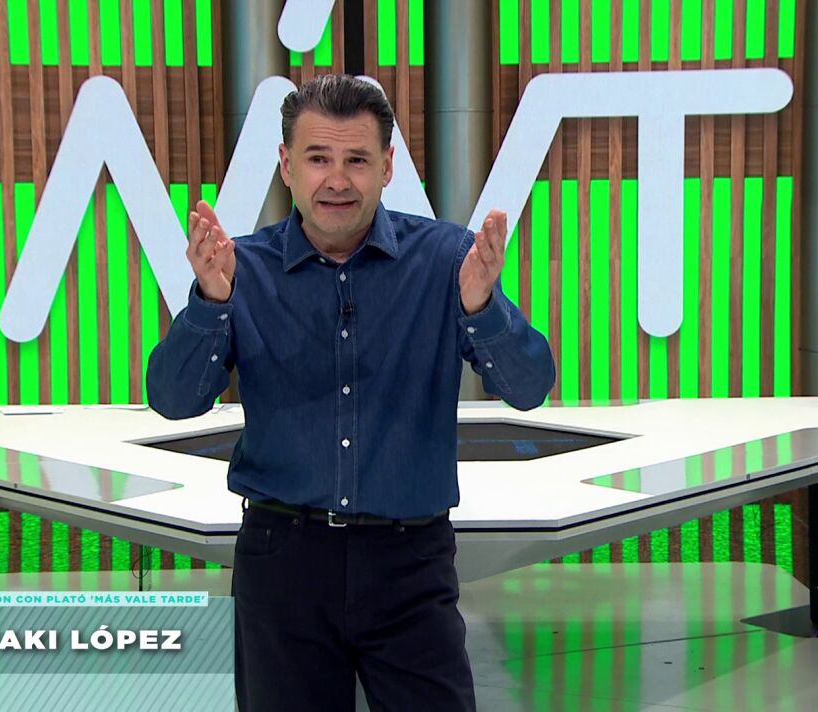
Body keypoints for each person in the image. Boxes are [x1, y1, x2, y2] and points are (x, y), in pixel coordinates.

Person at [146, 74, 555, 712]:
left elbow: (529, 388)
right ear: (287, 165)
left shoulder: (447, 259)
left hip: (410, 563)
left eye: (357, 160)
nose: (337, 180)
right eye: (318, 158)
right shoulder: (239, 269)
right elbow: (174, 399)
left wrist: (481, 308)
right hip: (283, 562)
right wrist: (210, 302)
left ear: (387, 167)